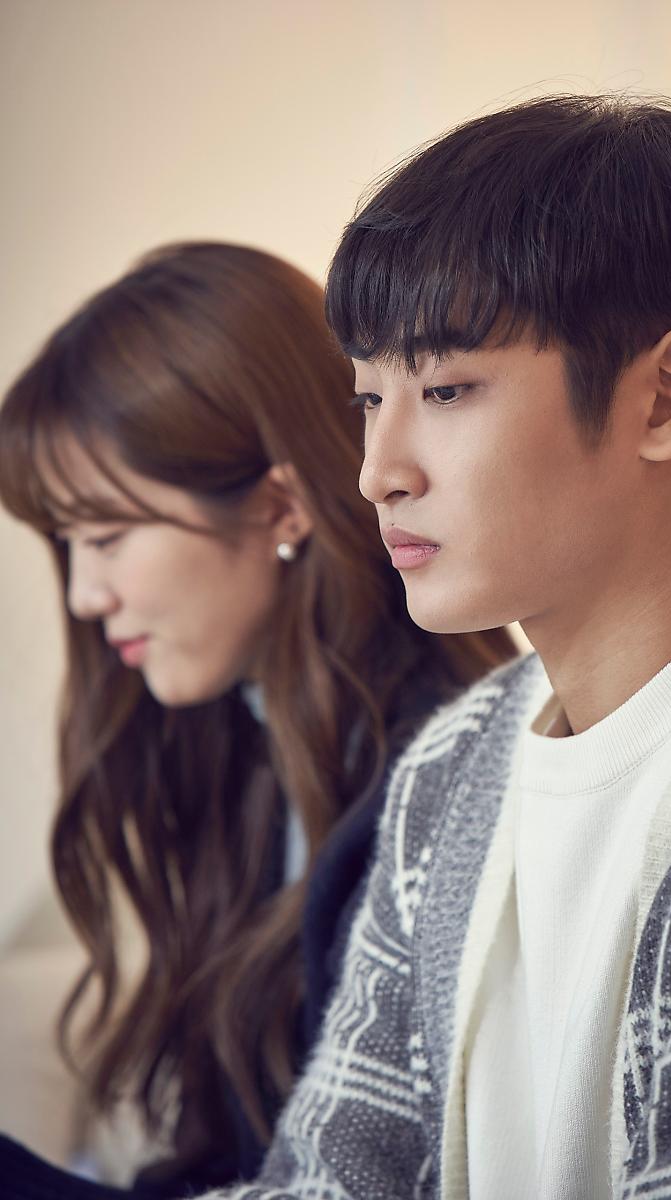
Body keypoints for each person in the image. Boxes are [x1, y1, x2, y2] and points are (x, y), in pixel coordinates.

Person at [166, 95, 671, 1198]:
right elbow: (327, 1183)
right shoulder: (451, 770)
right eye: (369, 399)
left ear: (666, 398)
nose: (378, 471)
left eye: (446, 389)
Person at [0, 241, 516, 1198]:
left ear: (280, 507)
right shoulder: (243, 748)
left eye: (106, 536)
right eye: (66, 543)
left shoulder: (436, 786)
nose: (82, 595)